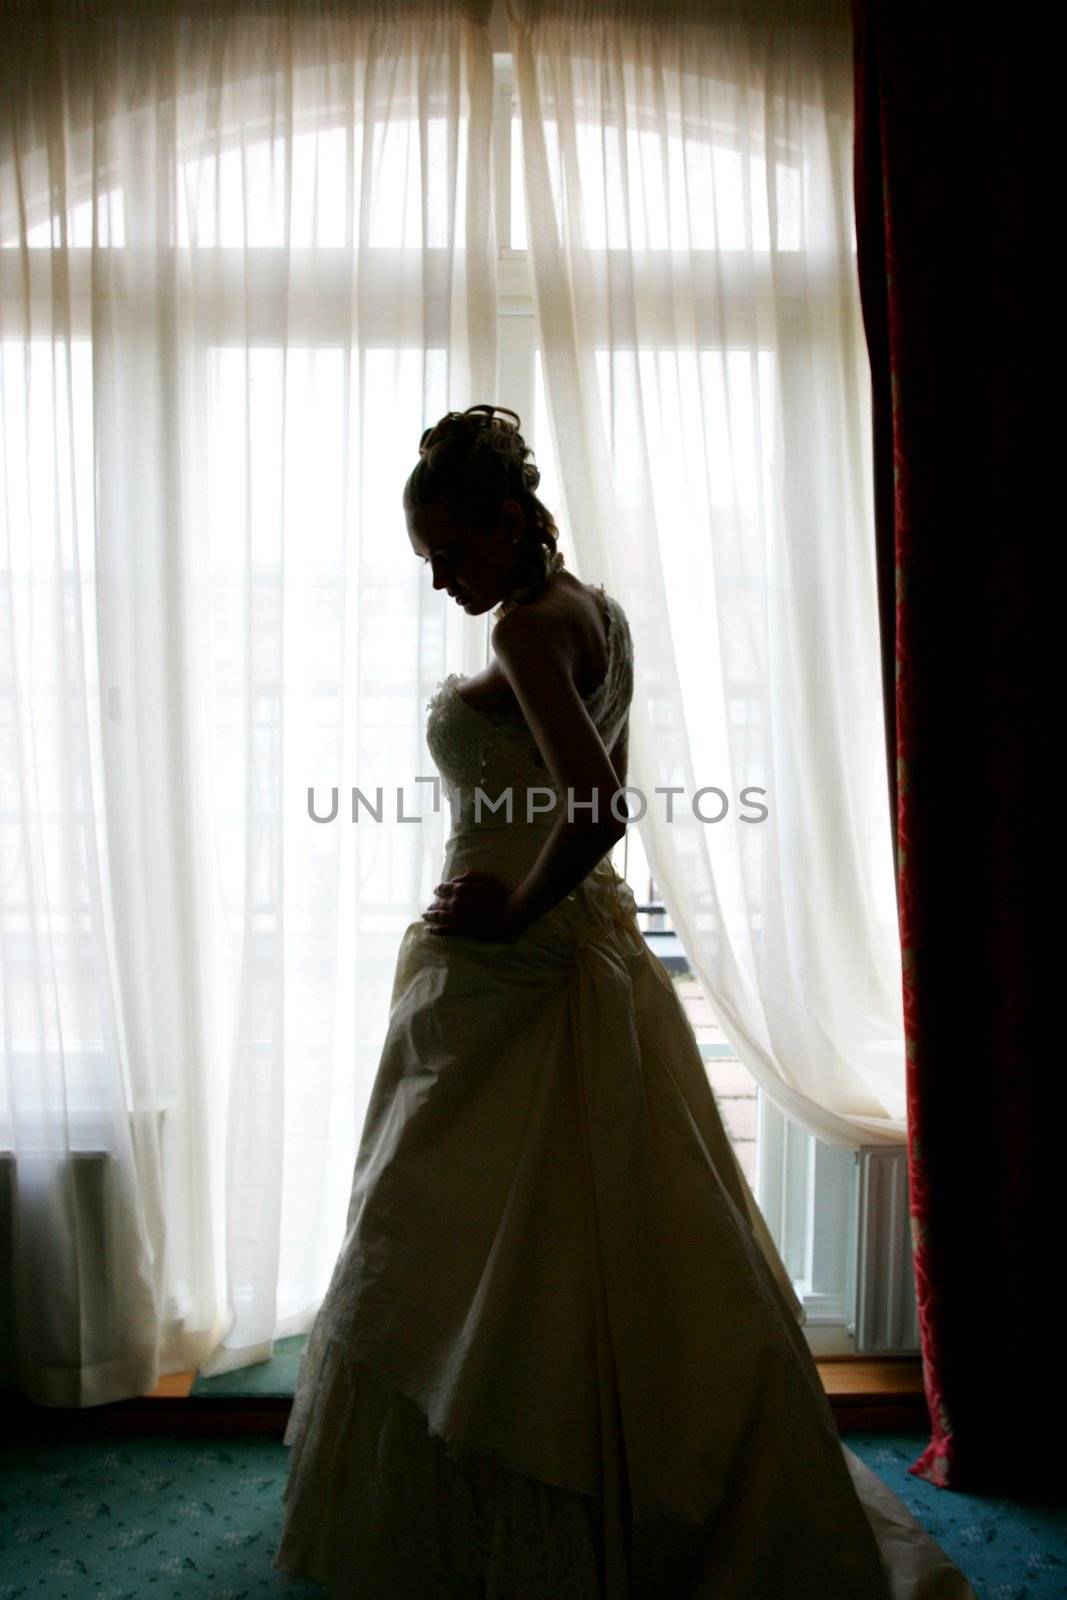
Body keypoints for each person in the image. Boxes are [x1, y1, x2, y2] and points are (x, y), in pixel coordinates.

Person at [273, 406, 977, 1599]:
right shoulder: (594, 607)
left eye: (452, 553)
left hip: (517, 967)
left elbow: (597, 809)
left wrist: (510, 912)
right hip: (580, 962)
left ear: (506, 522)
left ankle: (530, 1501)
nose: (443, 581)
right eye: (427, 561)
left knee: (467, 1244)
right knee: (589, 1246)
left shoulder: (531, 630)